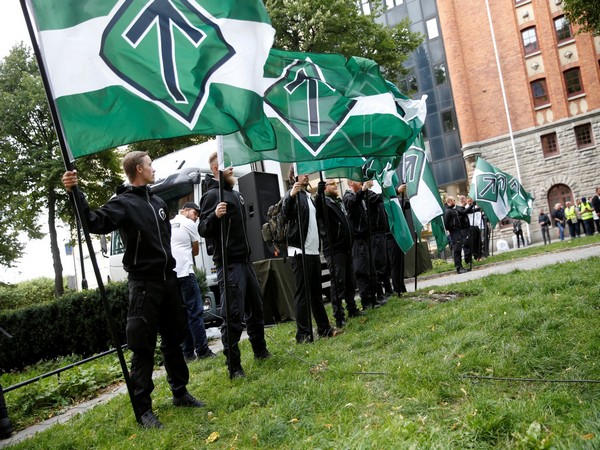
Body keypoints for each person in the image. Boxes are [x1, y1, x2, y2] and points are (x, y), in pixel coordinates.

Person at [62, 152, 204, 429]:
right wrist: (75, 192)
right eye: (150, 164)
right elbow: (93, 222)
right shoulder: (122, 203)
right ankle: (144, 411)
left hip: (169, 281)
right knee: (143, 348)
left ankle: (180, 392)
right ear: (139, 169)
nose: (154, 168)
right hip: (143, 286)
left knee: (174, 340)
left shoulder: (159, 201)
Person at [198, 152, 270, 378]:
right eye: (226, 165)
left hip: (245, 260)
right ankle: (234, 365)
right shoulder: (211, 195)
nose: (231, 168)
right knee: (233, 315)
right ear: (215, 170)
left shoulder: (236, 195)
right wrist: (214, 217)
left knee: (256, 308)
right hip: (229, 264)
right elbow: (202, 229)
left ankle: (260, 351)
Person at [283, 168, 338, 343]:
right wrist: (291, 195)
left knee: (316, 294)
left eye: (307, 172)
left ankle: (324, 329)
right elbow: (286, 213)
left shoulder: (308, 196)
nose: (307, 175)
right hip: (300, 252)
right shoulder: (293, 195)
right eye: (303, 172)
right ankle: (303, 335)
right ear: (294, 176)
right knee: (303, 295)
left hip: (313, 252)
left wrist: (320, 193)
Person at [171, 202, 216, 362]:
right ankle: (203, 350)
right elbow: (196, 251)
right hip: (186, 272)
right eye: (194, 213)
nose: (196, 217)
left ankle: (188, 352)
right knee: (195, 313)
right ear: (185, 210)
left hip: (173, 275)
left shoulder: (170, 224)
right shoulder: (188, 223)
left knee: (183, 315)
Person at [315, 179, 363, 328]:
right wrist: (319, 194)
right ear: (325, 188)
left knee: (350, 281)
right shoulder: (324, 202)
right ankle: (339, 316)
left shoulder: (337, 201)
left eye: (336, 183)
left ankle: (352, 309)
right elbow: (319, 207)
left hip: (346, 247)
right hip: (335, 249)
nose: (336, 186)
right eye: (332, 184)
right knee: (338, 282)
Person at [343, 179, 382, 309]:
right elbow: (352, 204)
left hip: (366, 237)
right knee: (362, 270)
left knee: (371, 269)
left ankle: (373, 299)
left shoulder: (361, 196)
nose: (360, 183)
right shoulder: (348, 196)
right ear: (350, 183)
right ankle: (366, 301)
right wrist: (363, 191)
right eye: (357, 180)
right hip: (357, 238)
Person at [443, 195, 473, 273]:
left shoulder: (452, 210)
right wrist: (452, 228)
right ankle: (458, 268)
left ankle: (460, 266)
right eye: (453, 201)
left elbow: (464, 212)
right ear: (449, 202)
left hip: (458, 231)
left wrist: (471, 205)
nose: (454, 202)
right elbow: (446, 224)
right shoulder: (447, 211)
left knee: (459, 249)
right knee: (457, 250)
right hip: (454, 233)